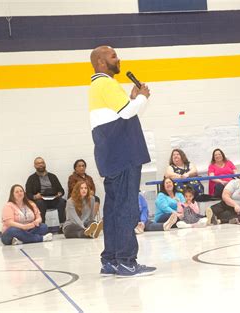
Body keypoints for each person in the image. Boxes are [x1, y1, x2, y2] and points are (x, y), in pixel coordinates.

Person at [89, 45, 154, 277]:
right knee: (126, 207)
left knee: (115, 209)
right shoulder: (106, 83)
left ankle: (111, 260)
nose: (119, 59)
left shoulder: (98, 86)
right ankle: (127, 260)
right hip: (124, 154)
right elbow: (127, 112)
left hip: (112, 155)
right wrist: (143, 98)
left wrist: (132, 98)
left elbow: (121, 114)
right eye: (113, 56)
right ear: (101, 62)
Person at [25, 157, 66, 230]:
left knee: (62, 202)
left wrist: (59, 193)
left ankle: (62, 225)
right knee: (40, 203)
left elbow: (61, 190)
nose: (41, 165)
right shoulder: (31, 178)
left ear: (45, 164)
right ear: (34, 166)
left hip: (53, 199)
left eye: (42, 163)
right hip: (41, 200)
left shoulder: (52, 176)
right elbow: (28, 193)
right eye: (38, 163)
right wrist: (35, 196)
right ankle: (43, 227)